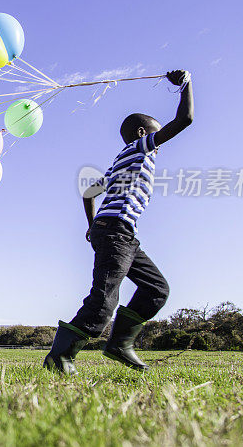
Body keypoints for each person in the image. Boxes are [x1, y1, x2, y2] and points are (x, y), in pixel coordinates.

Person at [44, 70, 194, 374]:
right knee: (103, 302)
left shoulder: (121, 160)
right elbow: (185, 120)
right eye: (156, 134)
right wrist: (186, 85)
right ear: (143, 133)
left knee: (156, 290)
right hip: (115, 233)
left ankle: (119, 344)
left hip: (120, 234)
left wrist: (91, 224)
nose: (160, 141)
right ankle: (60, 355)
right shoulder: (141, 148)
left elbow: (88, 193)